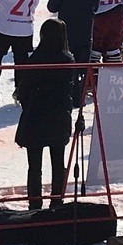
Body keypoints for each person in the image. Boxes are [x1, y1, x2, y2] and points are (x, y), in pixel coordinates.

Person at [16, 18, 74, 210]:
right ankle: (57, 202)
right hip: (58, 117)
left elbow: (23, 90)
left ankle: (34, 205)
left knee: (34, 167)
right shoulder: (67, 60)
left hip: (35, 116)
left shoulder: (35, 58)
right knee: (58, 163)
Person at [46, 0, 99, 105]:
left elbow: (52, 7)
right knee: (81, 69)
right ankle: (78, 97)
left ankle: (63, 96)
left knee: (63, 66)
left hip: (65, 34)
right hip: (85, 34)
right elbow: (96, 8)